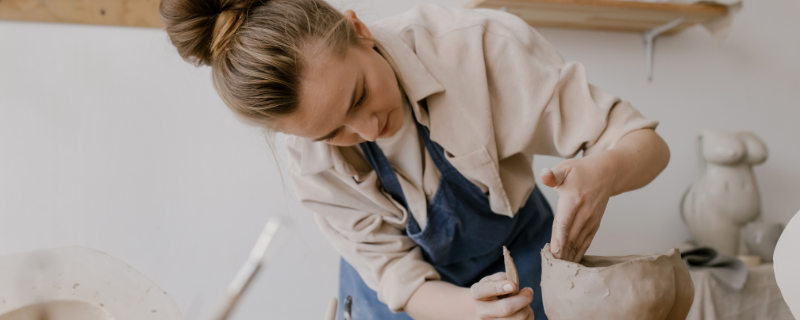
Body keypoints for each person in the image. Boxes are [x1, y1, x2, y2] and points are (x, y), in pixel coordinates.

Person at [159, 0, 670, 319]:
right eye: (332, 131)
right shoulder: (310, 160)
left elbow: (645, 144)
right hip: (404, 301)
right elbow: (403, 283)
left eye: (358, 95)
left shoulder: (479, 50)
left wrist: (605, 172)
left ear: (358, 29)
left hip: (520, 251)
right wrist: (470, 312)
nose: (364, 130)